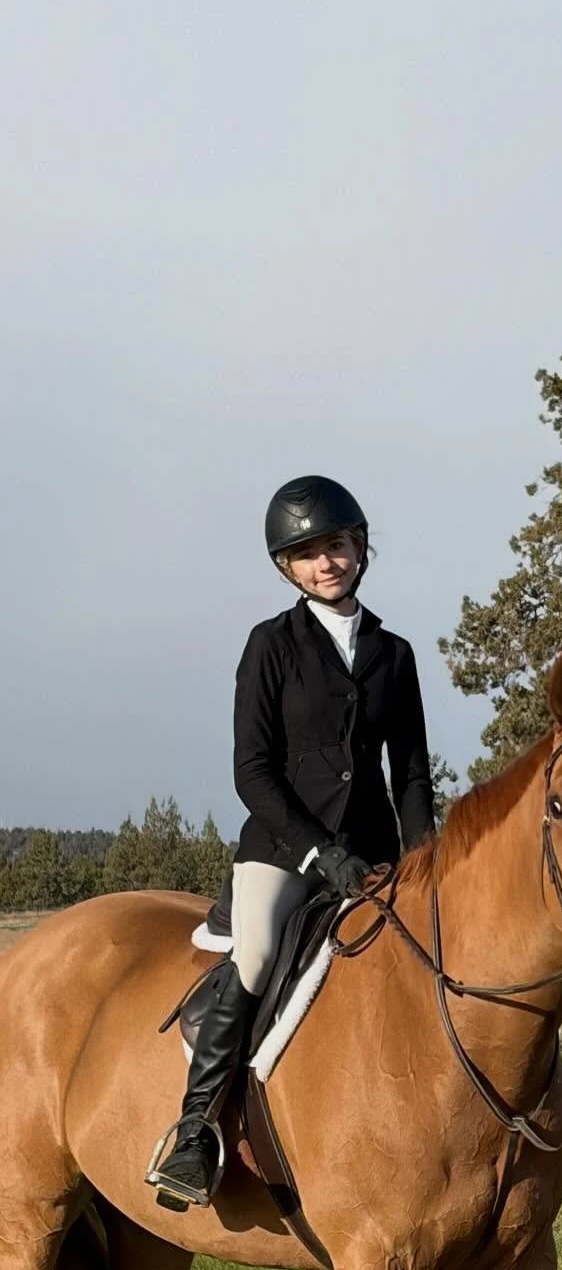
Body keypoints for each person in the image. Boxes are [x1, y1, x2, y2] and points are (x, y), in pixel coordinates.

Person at [147, 476, 436, 1209]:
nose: (325, 564)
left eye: (335, 546)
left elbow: (409, 776)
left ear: (360, 547)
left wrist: (423, 866)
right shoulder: (270, 646)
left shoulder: (393, 654)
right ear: (288, 569)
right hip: (280, 852)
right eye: (307, 555)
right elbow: (253, 771)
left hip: (371, 854)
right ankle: (194, 1131)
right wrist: (316, 852)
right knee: (259, 956)